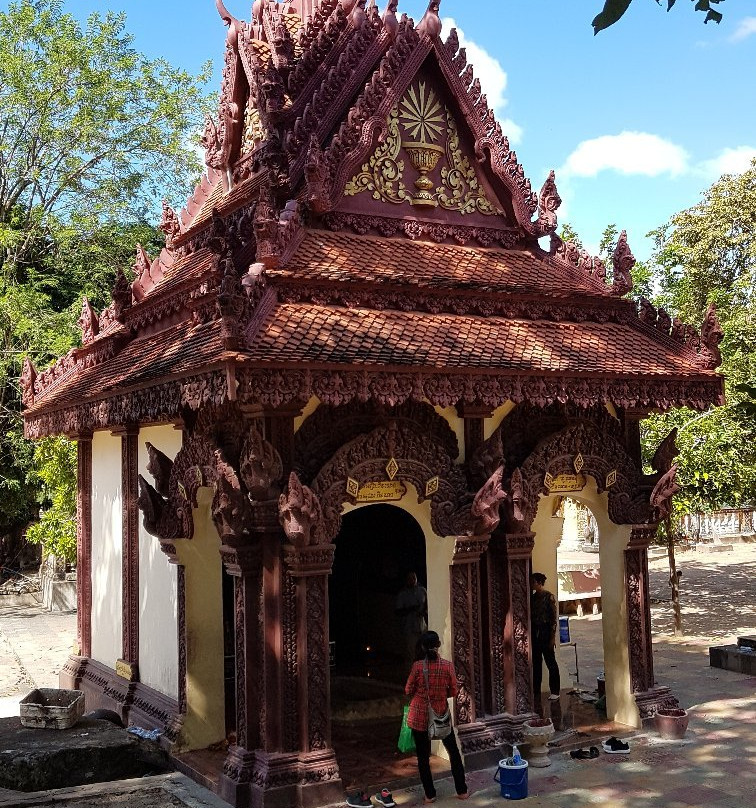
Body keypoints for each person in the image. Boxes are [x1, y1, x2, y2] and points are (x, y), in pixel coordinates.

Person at [404, 630, 468, 803]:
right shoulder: (447, 666)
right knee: (453, 752)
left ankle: (430, 795)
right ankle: (462, 791)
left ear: (423, 647)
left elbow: (408, 690)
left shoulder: (417, 666)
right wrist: (440, 694)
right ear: (438, 645)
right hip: (441, 715)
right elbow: (454, 691)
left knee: (423, 758)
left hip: (419, 717)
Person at [530, 572, 561, 701]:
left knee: (550, 661)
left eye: (533, 582)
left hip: (546, 631)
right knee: (536, 663)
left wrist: (552, 637)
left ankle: (555, 690)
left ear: (538, 583)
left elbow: (553, 619)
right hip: (535, 632)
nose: (532, 584)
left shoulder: (548, 597)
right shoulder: (532, 598)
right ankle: (535, 689)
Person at [395, 571, 427, 668]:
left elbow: (427, 603)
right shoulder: (403, 594)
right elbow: (398, 611)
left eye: (414, 578)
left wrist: (423, 611)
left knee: (424, 652)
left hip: (422, 626)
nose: (412, 580)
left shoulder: (422, 591)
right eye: (409, 578)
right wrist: (411, 609)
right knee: (411, 653)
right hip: (410, 628)